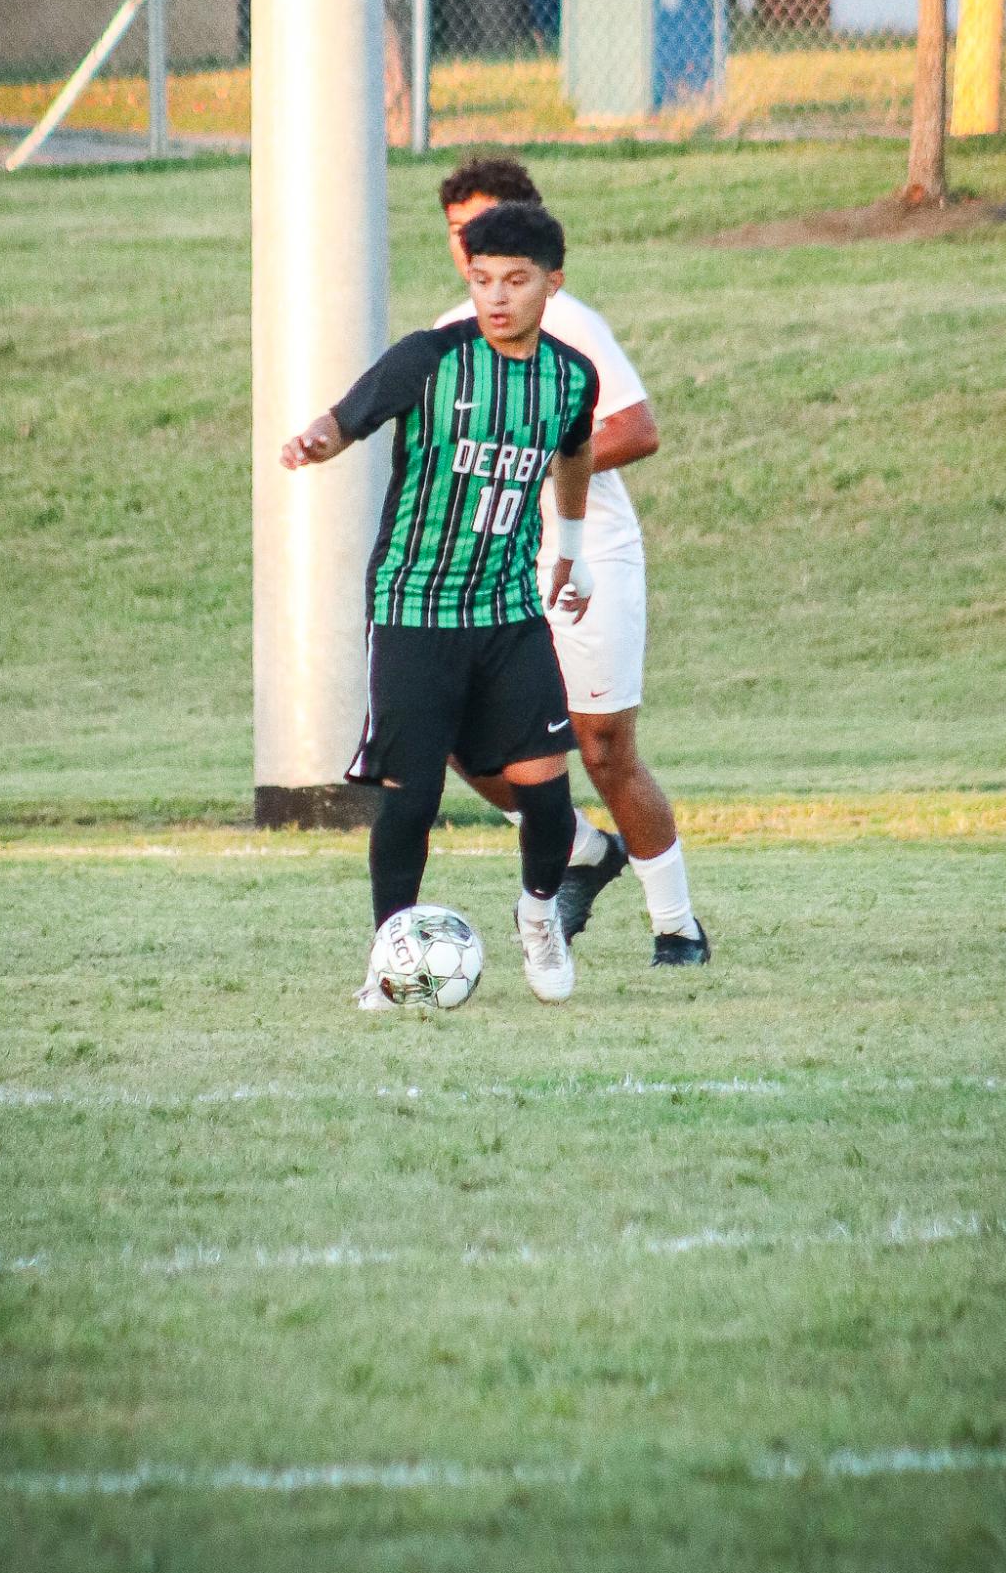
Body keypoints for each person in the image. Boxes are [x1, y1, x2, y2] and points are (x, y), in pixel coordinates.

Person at [280, 201, 600, 1010]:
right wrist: (315, 440)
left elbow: (575, 447)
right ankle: (391, 959)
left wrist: (573, 544)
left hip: (505, 610)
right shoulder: (430, 359)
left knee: (548, 794)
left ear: (551, 284)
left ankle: (538, 915)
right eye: (482, 279)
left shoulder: (570, 376)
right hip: (414, 608)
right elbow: (347, 417)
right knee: (411, 798)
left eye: (516, 282)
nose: (496, 297)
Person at [435, 157, 709, 967]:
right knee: (457, 730)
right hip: (500, 565)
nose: (472, 246)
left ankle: (677, 926)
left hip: (590, 564)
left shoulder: (568, 321)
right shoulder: (454, 333)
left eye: (487, 226)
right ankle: (583, 848)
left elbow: (637, 427)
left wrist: (545, 459)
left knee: (602, 749)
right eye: (458, 233)